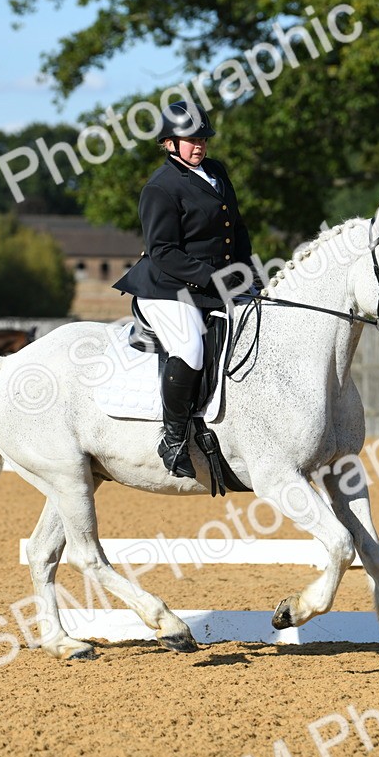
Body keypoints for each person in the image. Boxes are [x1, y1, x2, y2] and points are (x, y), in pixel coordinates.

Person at [112, 101, 257, 478]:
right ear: (168, 143)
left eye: (203, 139)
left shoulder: (216, 172)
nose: (199, 145)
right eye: (190, 139)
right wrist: (214, 278)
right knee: (190, 346)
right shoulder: (161, 187)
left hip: (213, 284)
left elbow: (236, 229)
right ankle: (173, 438)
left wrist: (247, 273)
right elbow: (162, 252)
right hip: (167, 287)